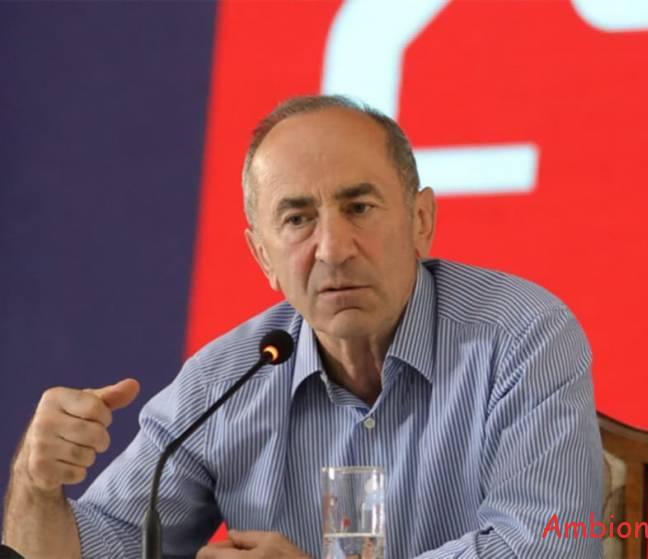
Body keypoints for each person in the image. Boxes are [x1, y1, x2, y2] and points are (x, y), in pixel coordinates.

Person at [2, 95, 603, 558]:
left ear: (421, 219)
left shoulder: (521, 336)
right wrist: (36, 485)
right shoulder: (224, 381)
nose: (333, 249)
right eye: (297, 219)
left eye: (359, 207)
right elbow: (102, 545)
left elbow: (544, 548)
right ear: (263, 255)